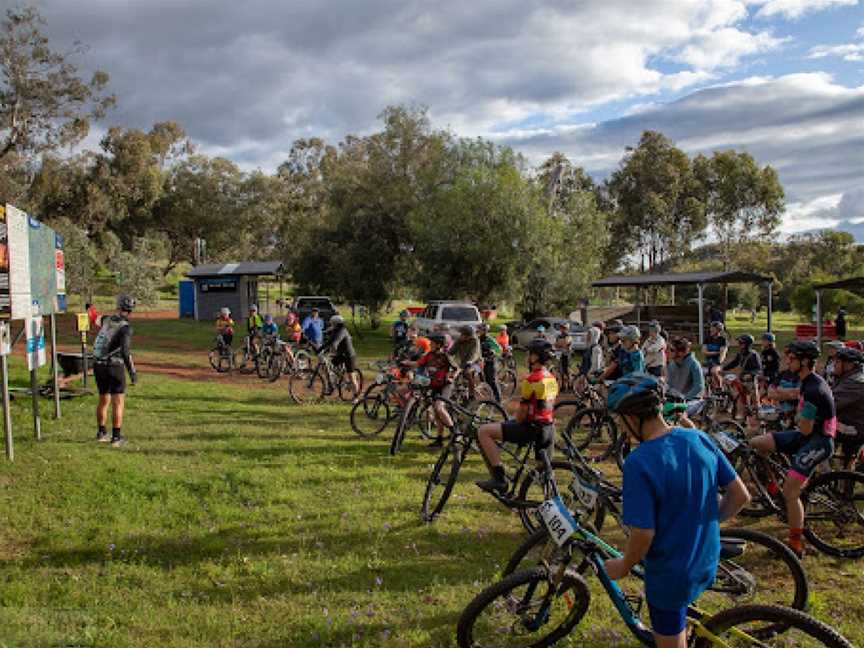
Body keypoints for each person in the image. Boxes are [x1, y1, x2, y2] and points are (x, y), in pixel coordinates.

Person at [604, 373, 750, 648]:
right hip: (706, 558)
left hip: (670, 576)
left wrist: (623, 566)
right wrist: (702, 521)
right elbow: (740, 495)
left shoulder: (639, 462)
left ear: (633, 418)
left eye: (619, 421)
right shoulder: (699, 438)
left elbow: (643, 534)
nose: (621, 429)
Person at [749, 341, 836, 557]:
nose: (787, 361)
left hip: (819, 441)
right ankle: (772, 487)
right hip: (808, 435)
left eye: (792, 358)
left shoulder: (814, 389)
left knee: (791, 492)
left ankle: (795, 544)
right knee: (757, 443)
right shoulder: (808, 381)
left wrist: (794, 416)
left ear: (804, 362)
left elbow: (805, 429)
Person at [475, 339, 558, 494]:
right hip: (548, 428)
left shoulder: (531, 379)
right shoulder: (551, 378)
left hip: (531, 428)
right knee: (544, 471)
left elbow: (522, 415)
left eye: (529, 353)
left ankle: (499, 479)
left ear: (535, 357)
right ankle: (550, 499)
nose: (526, 356)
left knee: (484, 431)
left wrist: (514, 419)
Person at [92, 294, 138, 448]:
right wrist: (132, 374)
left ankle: (101, 433)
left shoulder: (106, 319)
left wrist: (88, 308)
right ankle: (116, 438)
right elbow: (125, 351)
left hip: (98, 365)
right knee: (118, 402)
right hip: (114, 366)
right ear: (131, 311)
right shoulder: (126, 328)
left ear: (117, 307)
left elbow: (94, 318)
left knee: (103, 400)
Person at [402, 333, 457, 447]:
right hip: (433, 384)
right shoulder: (429, 355)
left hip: (445, 385)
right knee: (437, 414)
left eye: (432, 343)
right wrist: (406, 363)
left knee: (439, 407)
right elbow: (418, 363)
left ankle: (455, 434)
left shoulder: (447, 356)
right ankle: (439, 439)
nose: (430, 344)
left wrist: (452, 376)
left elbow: (457, 368)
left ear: (439, 345)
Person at [831, 347, 864, 468]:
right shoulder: (846, 377)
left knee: (818, 431)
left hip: (855, 429)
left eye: (838, 362)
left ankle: (828, 475)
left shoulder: (855, 382)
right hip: (849, 423)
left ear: (849, 365)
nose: (834, 364)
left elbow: (831, 402)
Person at [720, 334, 762, 422]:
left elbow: (758, 369)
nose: (739, 345)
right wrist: (723, 368)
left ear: (747, 344)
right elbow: (734, 363)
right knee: (737, 394)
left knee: (753, 394)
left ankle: (758, 411)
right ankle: (740, 412)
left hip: (750, 378)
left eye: (741, 343)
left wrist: (751, 374)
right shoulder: (740, 354)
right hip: (742, 377)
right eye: (739, 343)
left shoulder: (753, 355)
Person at [317, 315, 360, 398]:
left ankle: (356, 397)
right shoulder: (335, 331)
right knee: (328, 367)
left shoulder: (342, 331)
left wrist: (332, 350)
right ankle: (333, 384)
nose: (331, 325)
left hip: (349, 355)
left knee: (352, 377)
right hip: (340, 354)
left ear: (337, 324)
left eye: (332, 323)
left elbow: (335, 342)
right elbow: (329, 342)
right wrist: (319, 350)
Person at [666, 337, 705, 420]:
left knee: (676, 415)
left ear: (681, 352)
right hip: (676, 399)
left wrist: (685, 398)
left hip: (693, 400)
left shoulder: (694, 364)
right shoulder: (672, 364)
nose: (668, 352)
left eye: (672, 350)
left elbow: (699, 386)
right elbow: (669, 383)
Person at [448, 325, 482, 400]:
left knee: (467, 373)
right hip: (463, 363)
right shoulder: (459, 341)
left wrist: (470, 361)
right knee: (452, 373)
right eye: (461, 334)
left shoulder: (475, 341)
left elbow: (475, 354)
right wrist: (445, 354)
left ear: (468, 336)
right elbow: (451, 352)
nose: (461, 336)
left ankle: (472, 395)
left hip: (476, 363)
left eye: (463, 334)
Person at [477, 323, 502, 402]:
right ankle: (490, 397)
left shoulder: (490, 339)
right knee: (486, 381)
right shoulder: (478, 339)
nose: (479, 331)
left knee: (492, 381)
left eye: (480, 330)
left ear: (485, 331)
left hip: (491, 362)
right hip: (482, 362)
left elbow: (499, 349)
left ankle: (498, 400)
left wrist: (493, 352)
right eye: (479, 329)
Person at [554, 322, 572, 390]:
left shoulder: (568, 336)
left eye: (564, 328)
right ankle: (563, 385)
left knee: (567, 370)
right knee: (561, 370)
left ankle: (570, 385)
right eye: (561, 328)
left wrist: (560, 344)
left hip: (567, 355)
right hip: (560, 354)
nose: (562, 329)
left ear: (567, 329)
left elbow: (565, 343)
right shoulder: (559, 336)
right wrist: (561, 344)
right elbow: (556, 344)